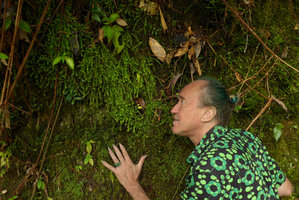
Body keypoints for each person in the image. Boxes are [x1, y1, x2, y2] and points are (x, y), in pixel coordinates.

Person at [101, 78, 293, 199]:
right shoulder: (245, 138)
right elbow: (286, 189)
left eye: (182, 102)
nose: (173, 109)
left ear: (207, 113)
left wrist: (132, 185)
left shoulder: (212, 164)